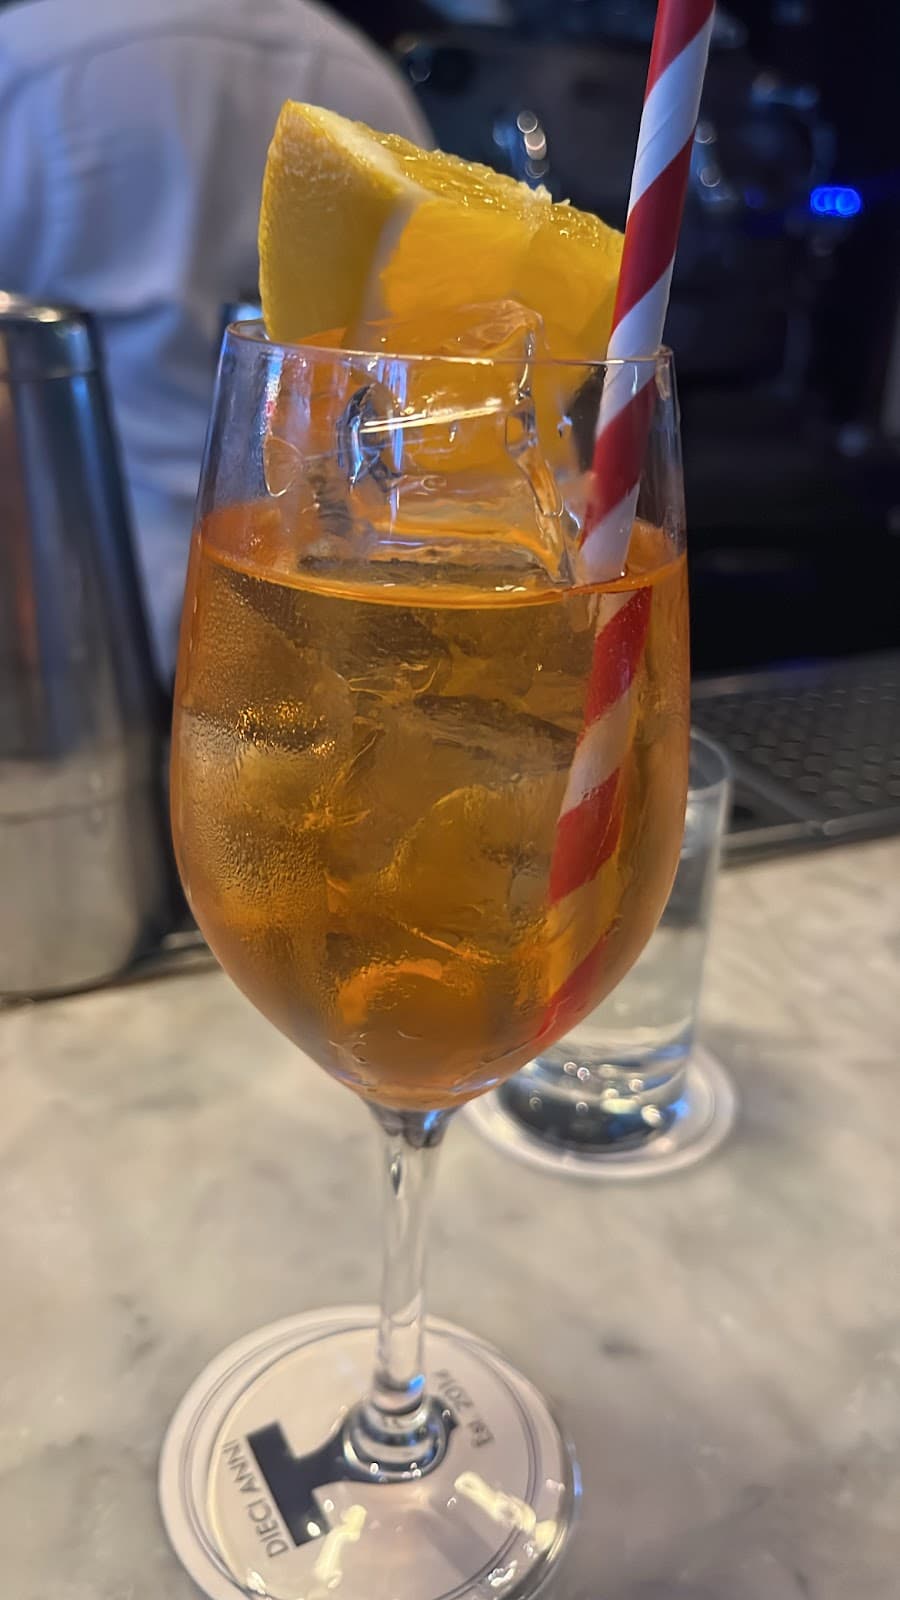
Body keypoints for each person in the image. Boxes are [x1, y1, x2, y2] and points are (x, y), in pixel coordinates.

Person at [0, 0, 431, 680]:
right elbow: (425, 369)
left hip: (66, 630)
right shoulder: (356, 72)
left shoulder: (26, 61)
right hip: (307, 612)